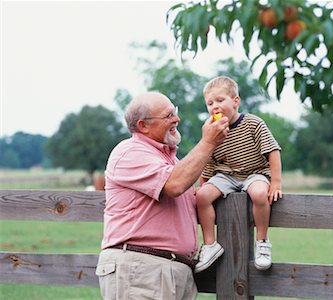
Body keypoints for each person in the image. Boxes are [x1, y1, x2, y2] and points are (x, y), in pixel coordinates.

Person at [95, 91, 229, 300]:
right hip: (142, 270)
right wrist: (209, 142)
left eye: (174, 112)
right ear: (143, 126)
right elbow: (174, 185)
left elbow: (186, 190)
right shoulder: (130, 152)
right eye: (167, 116)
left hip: (166, 271)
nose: (176, 119)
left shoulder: (170, 161)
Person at [195, 76, 282, 273]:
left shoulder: (253, 124)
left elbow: (273, 151)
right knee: (201, 196)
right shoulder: (212, 131)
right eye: (210, 103)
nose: (215, 107)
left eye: (220, 100)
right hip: (226, 175)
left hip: (254, 172)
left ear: (236, 101)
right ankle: (210, 245)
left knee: (259, 194)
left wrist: (275, 182)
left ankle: (262, 242)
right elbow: (208, 161)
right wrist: (204, 184)